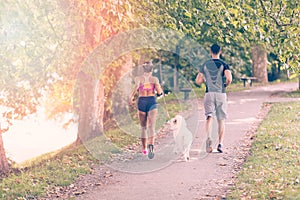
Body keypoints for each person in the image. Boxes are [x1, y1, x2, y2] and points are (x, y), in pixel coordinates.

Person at [196, 44, 232, 153]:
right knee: (221, 119)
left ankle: (208, 140)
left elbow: (198, 80)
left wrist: (205, 81)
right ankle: (220, 144)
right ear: (220, 51)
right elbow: (229, 78)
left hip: (209, 94)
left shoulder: (205, 64)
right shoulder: (224, 65)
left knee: (209, 117)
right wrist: (225, 85)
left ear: (210, 51)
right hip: (221, 93)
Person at [129, 62, 163, 159]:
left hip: (142, 101)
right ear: (151, 70)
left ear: (143, 70)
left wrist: (131, 97)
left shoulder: (138, 79)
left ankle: (144, 149)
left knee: (143, 127)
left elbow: (135, 89)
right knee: (152, 126)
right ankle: (151, 146)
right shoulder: (154, 79)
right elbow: (159, 92)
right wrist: (160, 92)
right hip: (151, 101)